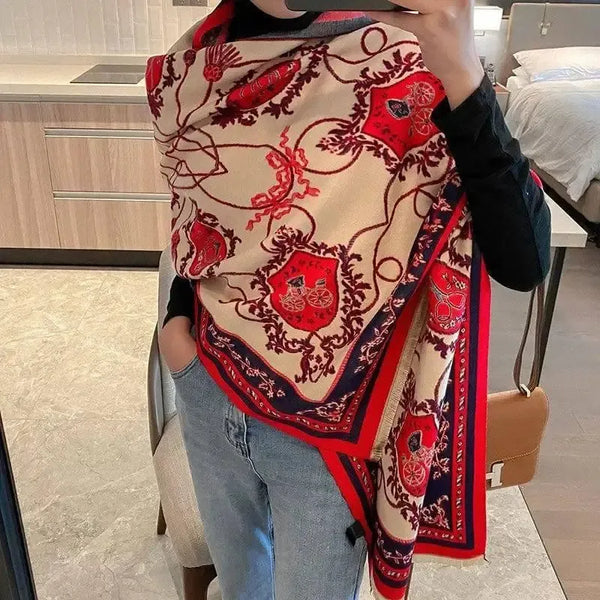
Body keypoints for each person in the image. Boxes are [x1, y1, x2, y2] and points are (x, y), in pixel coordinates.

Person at [154, 1, 551, 598]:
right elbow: (203, 216)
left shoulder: (410, 58)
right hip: (210, 381)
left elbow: (524, 262)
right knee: (240, 585)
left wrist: (463, 75)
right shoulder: (201, 58)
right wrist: (177, 325)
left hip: (326, 438)